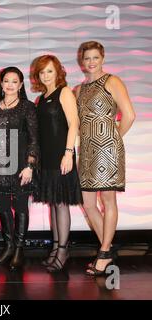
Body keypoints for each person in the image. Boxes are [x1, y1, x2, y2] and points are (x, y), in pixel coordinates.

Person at [76, 41, 135, 276]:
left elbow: (129, 115)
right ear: (82, 61)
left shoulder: (112, 81)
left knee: (108, 201)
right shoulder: (78, 90)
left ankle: (103, 254)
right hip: (87, 151)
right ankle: (107, 249)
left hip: (108, 149)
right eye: (87, 58)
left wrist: (113, 138)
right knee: (88, 204)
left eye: (95, 58)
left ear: (102, 58)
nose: (91, 62)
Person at [0, 67, 39, 270]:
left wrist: (30, 165)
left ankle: (19, 250)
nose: (10, 85)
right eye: (6, 81)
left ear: (21, 85)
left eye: (14, 81)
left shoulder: (27, 107)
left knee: (21, 207)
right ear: (1, 83)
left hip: (20, 166)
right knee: (4, 207)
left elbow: (34, 139)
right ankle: (8, 246)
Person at [31, 55, 82, 272]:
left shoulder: (64, 92)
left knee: (60, 203)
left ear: (58, 71)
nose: (45, 75)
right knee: (53, 202)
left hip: (62, 156)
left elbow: (74, 124)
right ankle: (55, 247)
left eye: (49, 71)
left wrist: (68, 153)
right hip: (47, 158)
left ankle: (63, 249)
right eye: (42, 72)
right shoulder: (41, 98)